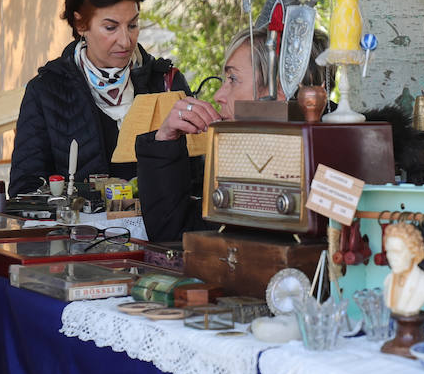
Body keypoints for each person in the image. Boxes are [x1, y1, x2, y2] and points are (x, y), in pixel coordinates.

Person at [9, 0, 188, 195]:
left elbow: (196, 178)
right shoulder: (45, 91)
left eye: (132, 25)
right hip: (79, 231)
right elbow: (26, 188)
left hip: (158, 232)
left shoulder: (166, 83)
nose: (125, 41)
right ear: (80, 24)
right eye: (111, 28)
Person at [135, 28, 328, 241]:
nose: (219, 95)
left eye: (233, 79)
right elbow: (174, 237)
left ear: (280, 90)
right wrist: (165, 142)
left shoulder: (336, 160)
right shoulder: (236, 157)